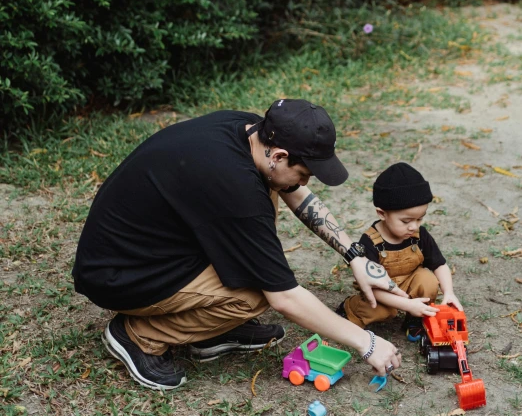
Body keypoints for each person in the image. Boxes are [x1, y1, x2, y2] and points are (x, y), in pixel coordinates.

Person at [72, 99, 407, 391]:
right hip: (118, 275)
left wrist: (354, 255)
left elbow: (293, 190)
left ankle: (208, 330)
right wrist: (366, 342)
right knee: (255, 292)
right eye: (305, 173)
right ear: (279, 154)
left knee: (272, 189)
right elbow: (285, 297)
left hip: (152, 243)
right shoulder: (238, 189)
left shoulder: (250, 132)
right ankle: (140, 334)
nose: (306, 182)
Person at [336, 162, 462, 340]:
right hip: (380, 290)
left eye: (420, 219)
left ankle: (414, 319)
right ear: (382, 214)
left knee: (428, 281)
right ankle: (351, 310)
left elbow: (439, 264)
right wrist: (405, 304)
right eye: (406, 221)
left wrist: (448, 292)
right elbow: (373, 288)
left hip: (408, 281)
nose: (414, 226)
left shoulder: (419, 235)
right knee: (382, 311)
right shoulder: (370, 241)